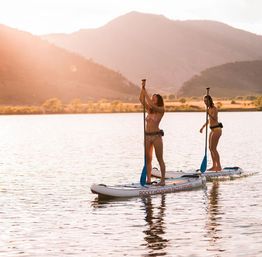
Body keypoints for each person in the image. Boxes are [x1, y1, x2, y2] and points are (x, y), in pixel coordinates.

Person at [139, 80, 166, 185]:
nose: (153, 98)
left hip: (156, 137)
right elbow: (141, 99)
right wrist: (142, 88)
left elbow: (149, 102)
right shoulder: (150, 109)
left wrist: (145, 91)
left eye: (155, 97)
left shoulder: (160, 109)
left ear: (158, 100)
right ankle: (148, 180)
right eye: (152, 96)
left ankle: (163, 181)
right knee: (148, 159)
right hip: (147, 136)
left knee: (160, 159)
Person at [200, 95, 222, 171]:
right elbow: (209, 120)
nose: (205, 102)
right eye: (204, 101)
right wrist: (203, 127)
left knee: (214, 148)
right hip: (212, 130)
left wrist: (208, 113)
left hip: (217, 130)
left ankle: (219, 166)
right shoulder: (208, 109)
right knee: (210, 148)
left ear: (210, 101)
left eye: (206, 101)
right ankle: (214, 166)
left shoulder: (214, 109)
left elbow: (215, 118)